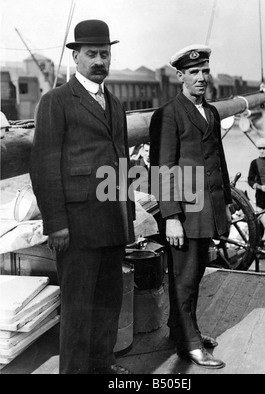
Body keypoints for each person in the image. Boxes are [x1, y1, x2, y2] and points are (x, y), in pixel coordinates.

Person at [30, 20, 135, 375]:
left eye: (105, 53)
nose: (99, 60)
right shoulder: (55, 101)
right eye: (91, 54)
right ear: (76, 57)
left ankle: (102, 365)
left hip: (112, 223)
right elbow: (44, 167)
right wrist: (56, 224)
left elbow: (122, 162)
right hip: (75, 226)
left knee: (108, 301)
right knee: (77, 308)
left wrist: (128, 218)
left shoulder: (115, 104)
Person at [149, 44, 232, 369]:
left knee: (194, 274)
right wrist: (170, 217)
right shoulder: (168, 114)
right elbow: (161, 170)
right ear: (180, 76)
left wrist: (224, 202)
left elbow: (218, 162)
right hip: (183, 212)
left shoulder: (210, 112)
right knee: (184, 279)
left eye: (204, 71)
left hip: (207, 211)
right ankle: (191, 344)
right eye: (194, 72)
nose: (201, 77)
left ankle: (180, 331)